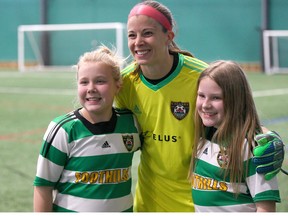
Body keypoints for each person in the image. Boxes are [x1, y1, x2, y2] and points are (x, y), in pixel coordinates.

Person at [114, 0, 285, 212]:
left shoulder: (200, 76)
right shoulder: (125, 83)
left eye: (147, 33)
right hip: (149, 202)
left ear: (168, 36)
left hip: (198, 203)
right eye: (132, 35)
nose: (138, 41)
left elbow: (240, 113)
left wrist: (268, 137)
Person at [33, 45, 141, 212]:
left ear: (118, 86)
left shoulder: (131, 124)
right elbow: (43, 187)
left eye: (100, 81)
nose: (91, 88)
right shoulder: (63, 130)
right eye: (84, 82)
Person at [189, 60, 281, 212]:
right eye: (201, 95)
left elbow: (266, 209)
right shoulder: (203, 134)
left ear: (236, 100)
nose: (205, 104)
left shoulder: (253, 147)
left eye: (216, 98)